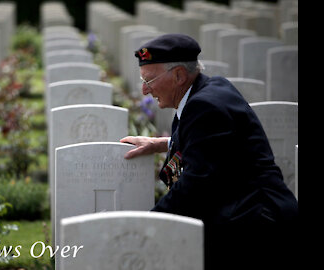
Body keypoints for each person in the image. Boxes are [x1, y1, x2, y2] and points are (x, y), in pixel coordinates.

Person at [120, 34, 298, 269]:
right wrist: (161, 144)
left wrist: (145, 225)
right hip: (247, 215)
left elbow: (194, 185)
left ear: (179, 76)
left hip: (256, 228)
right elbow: (211, 143)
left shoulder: (205, 106)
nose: (144, 90)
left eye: (150, 81)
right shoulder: (208, 89)